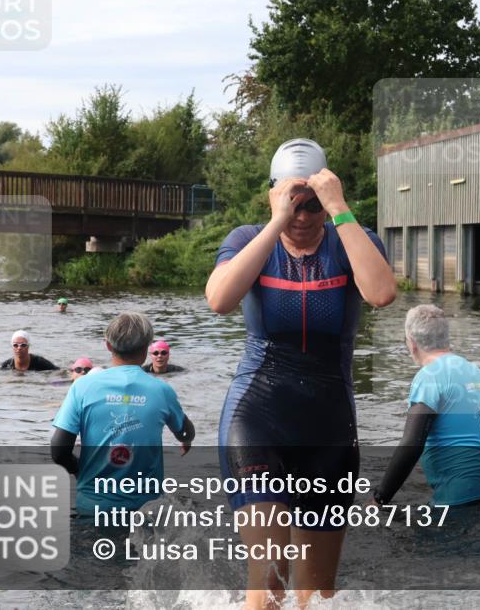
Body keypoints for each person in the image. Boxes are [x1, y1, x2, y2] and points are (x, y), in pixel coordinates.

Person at [205, 138, 396, 609]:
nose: (304, 216)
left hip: (328, 425)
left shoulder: (352, 239)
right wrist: (275, 222)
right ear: (274, 196)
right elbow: (219, 300)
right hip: (259, 415)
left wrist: (340, 209)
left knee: (317, 596)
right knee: (269, 581)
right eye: (294, 203)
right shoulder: (247, 238)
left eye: (312, 204)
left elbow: (381, 293)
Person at [49, 312, 195, 515]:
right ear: (147, 348)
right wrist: (185, 438)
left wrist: (79, 471)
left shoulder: (82, 387)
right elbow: (186, 431)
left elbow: (59, 451)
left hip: (93, 507)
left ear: (108, 345)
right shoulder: (162, 391)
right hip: (146, 509)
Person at [372, 305, 480, 508]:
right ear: (446, 338)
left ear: (412, 343)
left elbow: (412, 445)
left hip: (457, 500)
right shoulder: (477, 372)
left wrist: (379, 499)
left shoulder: (428, 377)